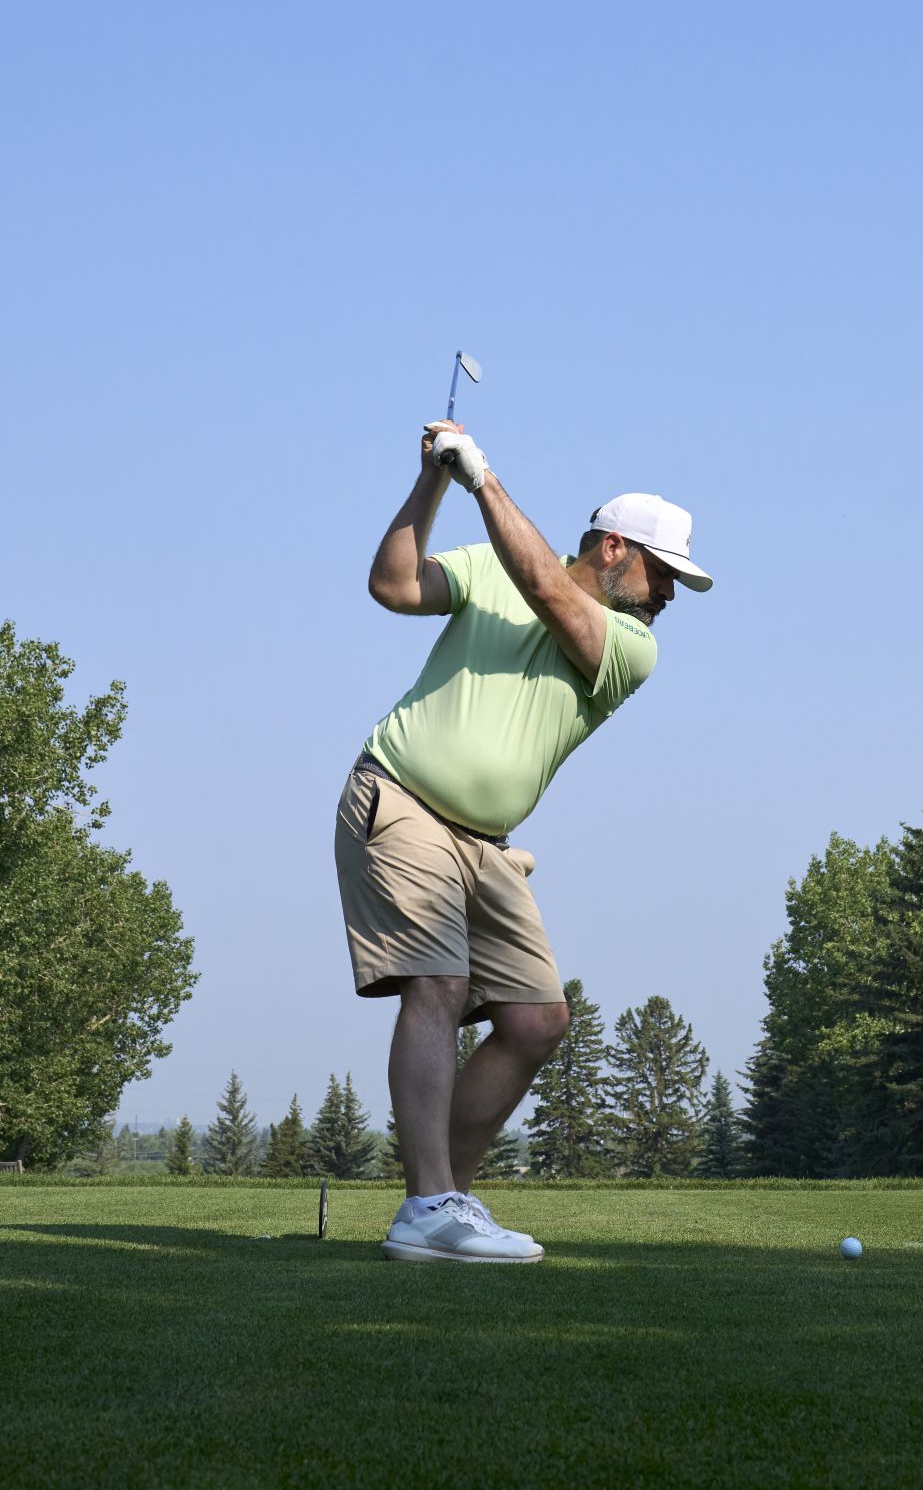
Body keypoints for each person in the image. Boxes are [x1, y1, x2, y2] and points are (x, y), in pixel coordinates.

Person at [339, 418, 711, 1263]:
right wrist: (435, 481)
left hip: (488, 846)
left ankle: (441, 1199)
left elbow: (546, 588)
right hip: (401, 800)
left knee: (538, 1020)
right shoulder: (489, 567)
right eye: (663, 573)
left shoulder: (633, 647)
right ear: (614, 548)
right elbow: (393, 585)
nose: (669, 595)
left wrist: (484, 479)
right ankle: (430, 1206)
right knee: (438, 983)